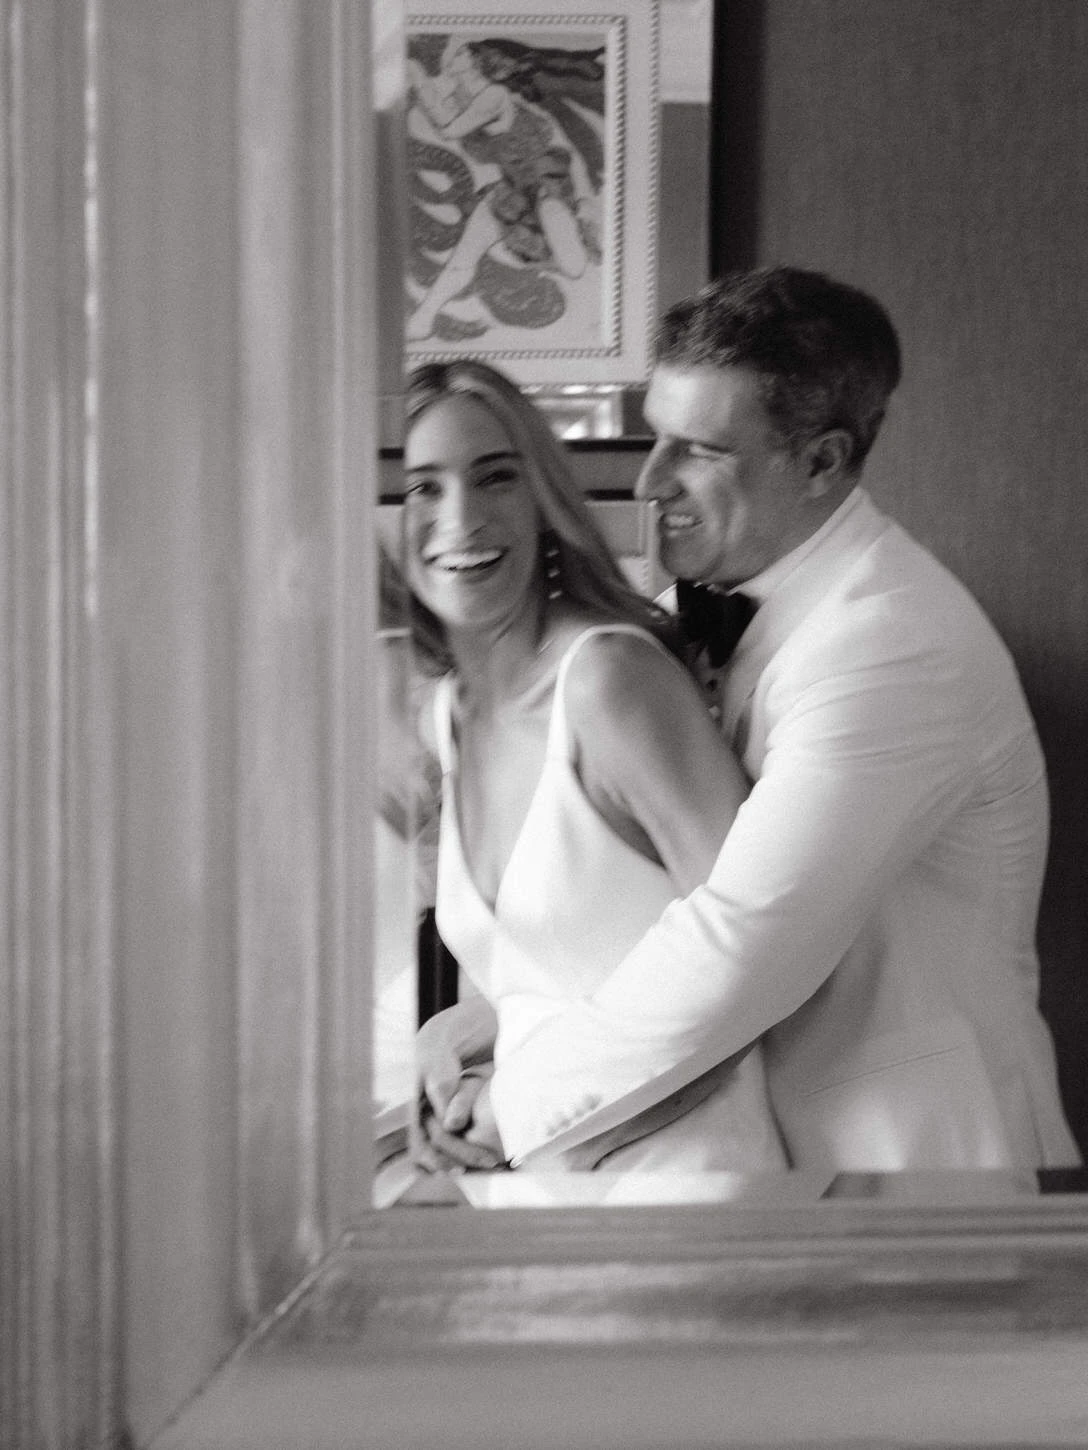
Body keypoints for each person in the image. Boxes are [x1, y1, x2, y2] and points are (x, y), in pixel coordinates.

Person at [437, 266, 1081, 1174]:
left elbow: (743, 941)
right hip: (751, 1165)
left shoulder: (892, 647)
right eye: (654, 436)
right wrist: (480, 1029)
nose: (651, 480)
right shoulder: (686, 614)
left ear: (821, 461)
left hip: (918, 1170)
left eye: (699, 449)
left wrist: (516, 1107)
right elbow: (630, 919)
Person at [403, 358, 787, 1174]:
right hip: (538, 1182)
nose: (460, 518)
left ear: (544, 501)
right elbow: (549, 978)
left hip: (688, 1182)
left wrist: (533, 1122)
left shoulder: (612, 682)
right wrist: (454, 1046)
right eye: (424, 488)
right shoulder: (448, 715)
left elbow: (758, 964)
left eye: (495, 477)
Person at [405, 37, 602, 342]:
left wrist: (418, 77)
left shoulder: (494, 95)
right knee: (463, 257)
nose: (451, 57)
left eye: (459, 53)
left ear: (474, 63)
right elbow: (445, 121)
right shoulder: (463, 99)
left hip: (545, 185)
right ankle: (424, 317)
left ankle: (551, 249)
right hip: (511, 189)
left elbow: (448, 128)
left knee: (574, 267)